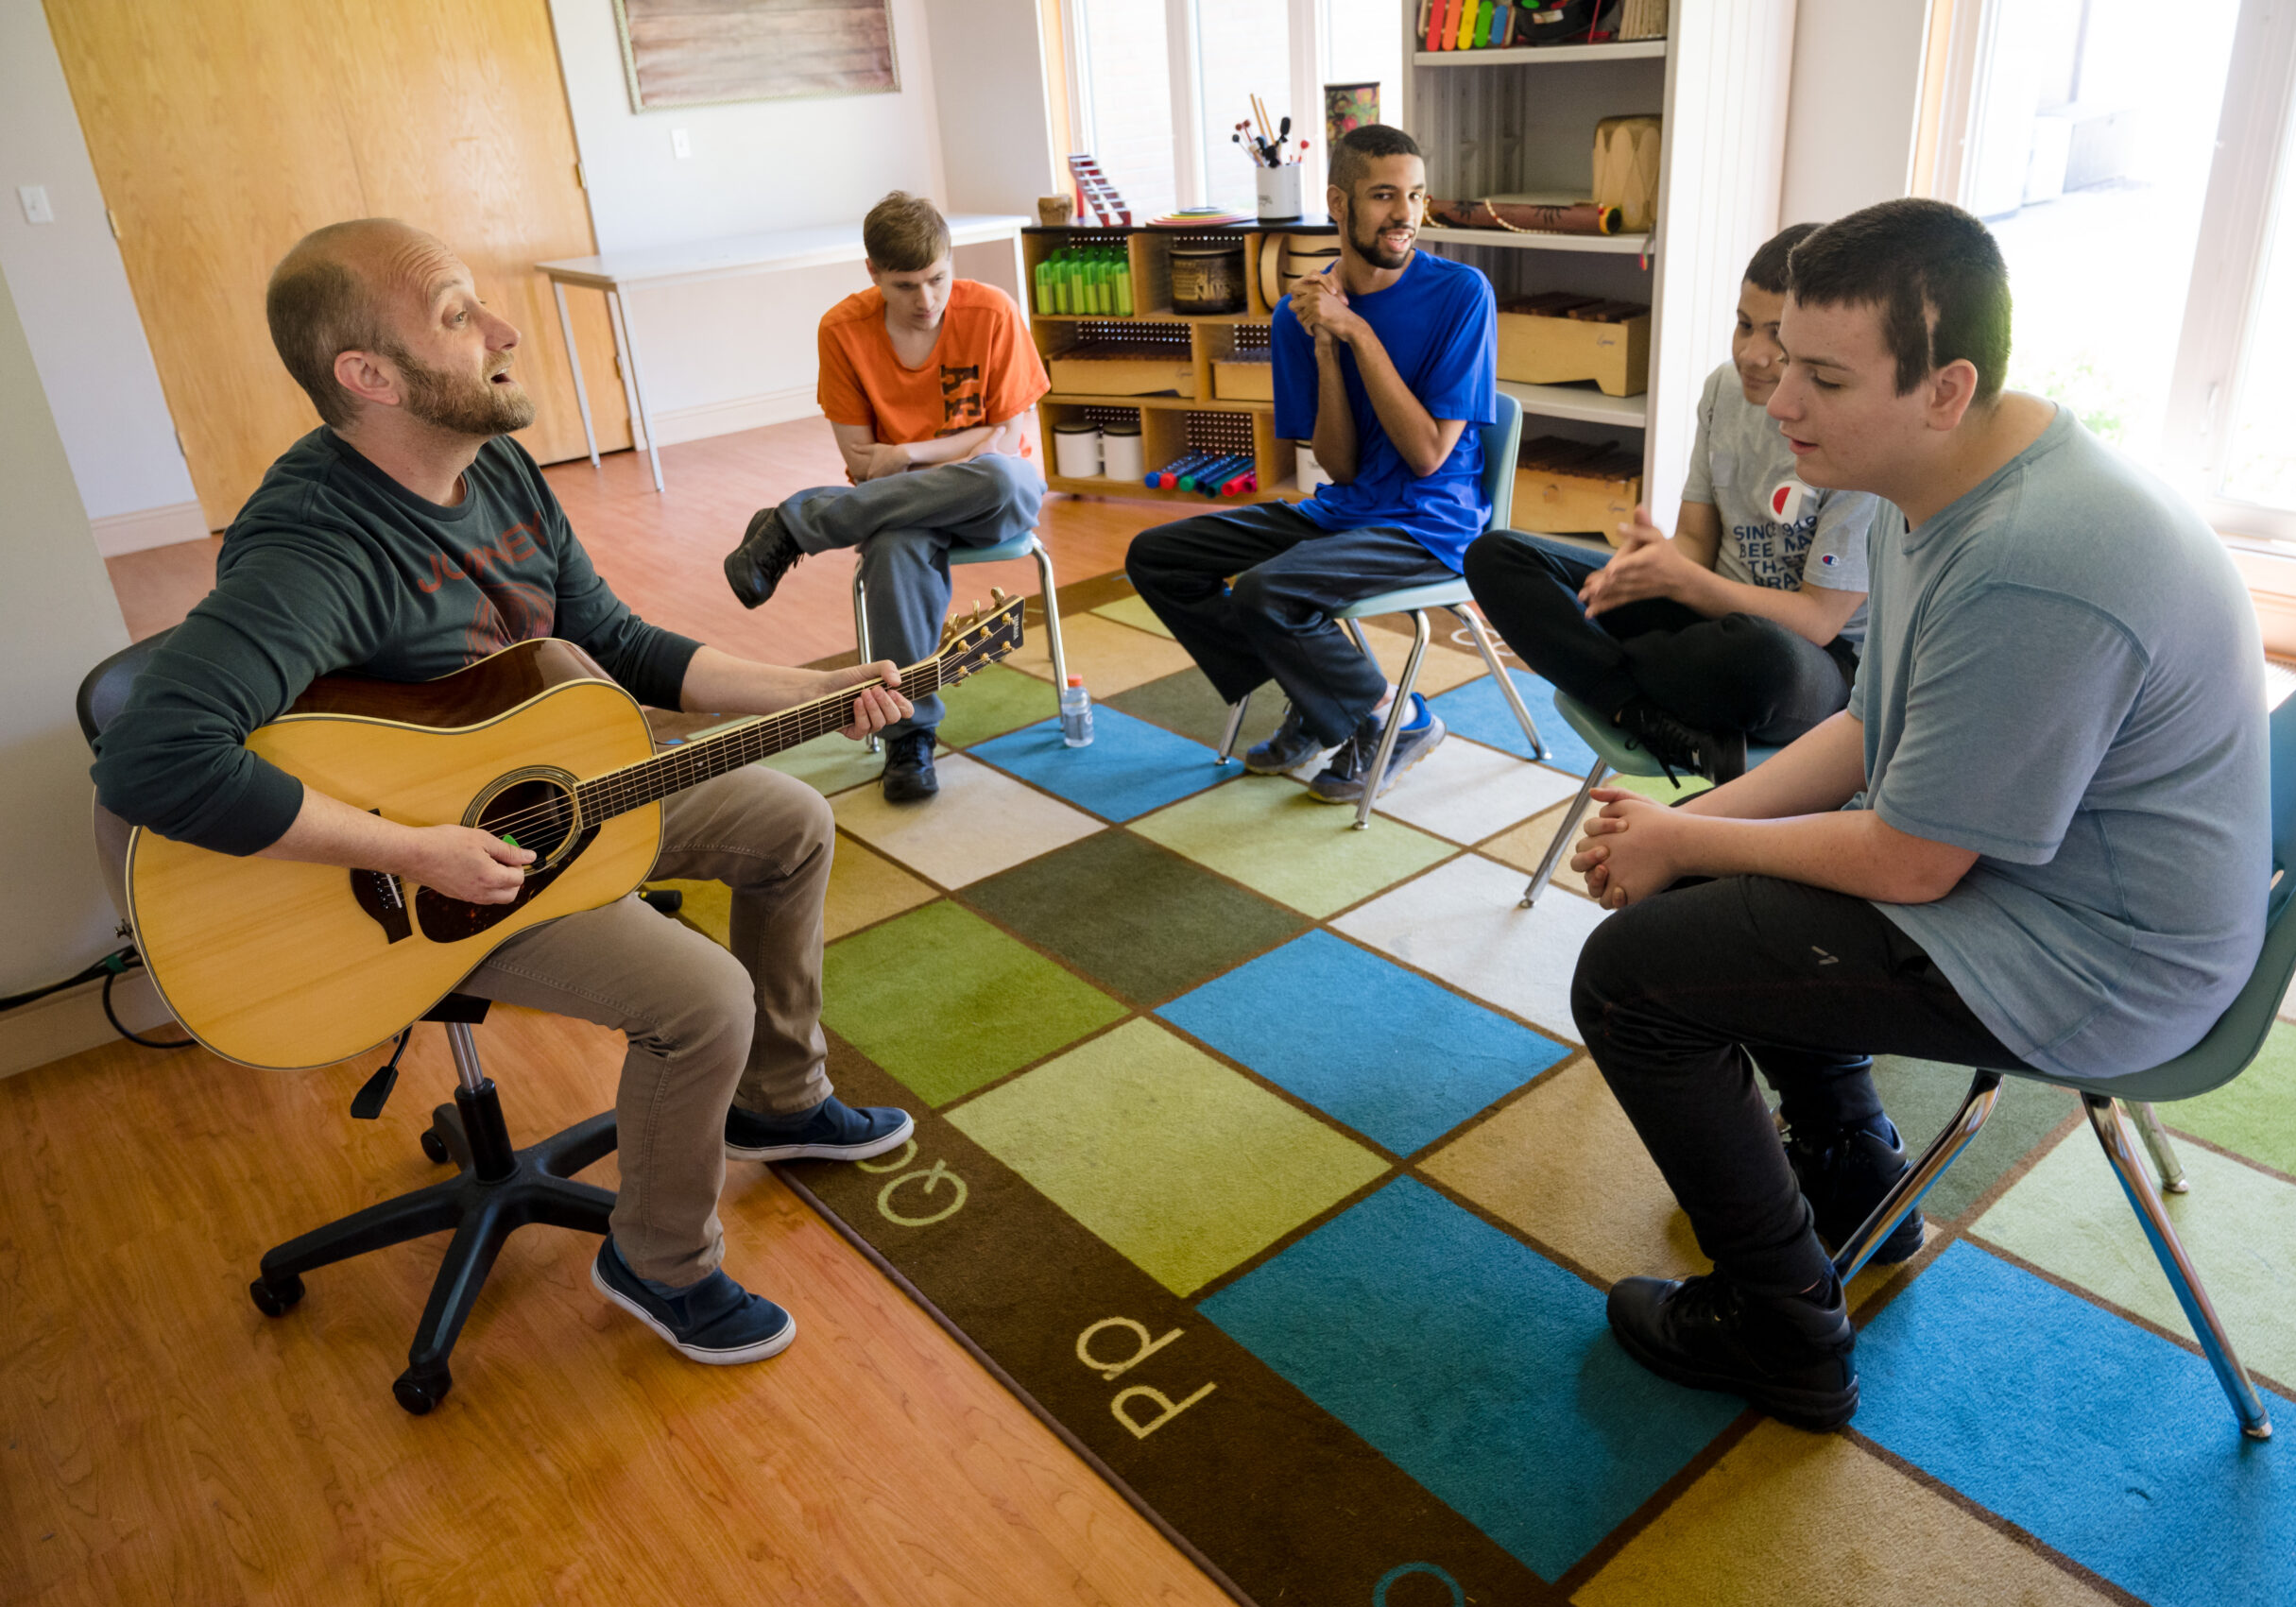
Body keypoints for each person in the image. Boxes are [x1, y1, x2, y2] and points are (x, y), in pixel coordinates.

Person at [92, 219, 919, 1368]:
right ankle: (658, 1259)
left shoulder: (499, 469)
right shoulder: (317, 547)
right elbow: (153, 759)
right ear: (368, 377)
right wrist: (420, 849)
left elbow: (613, 640)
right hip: (402, 884)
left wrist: (817, 689)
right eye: (453, 316)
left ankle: (779, 1101)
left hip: (539, 798)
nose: (503, 331)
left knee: (790, 818)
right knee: (700, 999)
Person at [1564, 199, 2268, 1430]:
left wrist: (1682, 838)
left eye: (1824, 377)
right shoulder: (1929, 483)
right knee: (1719, 896)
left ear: (1945, 386)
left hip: (2103, 960)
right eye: (1782, 355)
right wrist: (1690, 826)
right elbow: (1865, 735)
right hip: (2045, 884)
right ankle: (1853, 1170)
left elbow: (1911, 856)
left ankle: (1784, 1332)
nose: (1780, 399)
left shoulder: (2032, 556)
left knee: (1632, 977)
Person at [1124, 124, 1498, 804]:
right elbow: (1342, 467)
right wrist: (1326, 347)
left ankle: (1397, 717)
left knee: (1268, 590)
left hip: (1429, 523)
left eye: (1415, 195)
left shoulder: (1462, 294)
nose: (1405, 215)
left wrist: (1355, 331)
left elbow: (1425, 453)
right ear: (1338, 201)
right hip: (1348, 510)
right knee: (1158, 556)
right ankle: (1318, 691)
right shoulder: (1298, 313)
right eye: (1384, 195)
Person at [1464, 224, 1887, 784]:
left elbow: (1818, 620)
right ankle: (1645, 715)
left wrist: (1677, 585)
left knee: (1760, 661)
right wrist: (1650, 564)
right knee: (1497, 556)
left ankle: (1604, 673)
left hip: (1809, 660)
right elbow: (1694, 543)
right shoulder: (1723, 391)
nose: (1752, 355)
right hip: (1707, 623)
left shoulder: (1861, 437)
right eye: (1743, 325)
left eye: (1778, 339)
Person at [722, 193, 1050, 804]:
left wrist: (911, 453)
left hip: (992, 499)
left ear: (952, 262)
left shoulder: (993, 313)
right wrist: (952, 448)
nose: (926, 300)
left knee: (1004, 477)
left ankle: (798, 523)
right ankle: (908, 737)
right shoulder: (842, 330)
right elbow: (860, 462)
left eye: (937, 279)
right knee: (894, 547)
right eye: (906, 285)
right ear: (873, 273)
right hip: (901, 510)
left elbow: (1009, 440)